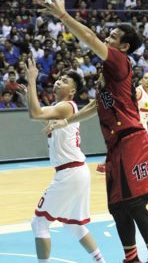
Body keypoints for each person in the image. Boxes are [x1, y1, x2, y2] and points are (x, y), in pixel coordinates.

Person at [41, 0, 148, 263]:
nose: (106, 38)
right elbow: (94, 107)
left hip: (131, 140)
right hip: (117, 146)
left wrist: (63, 16)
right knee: (118, 207)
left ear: (124, 46)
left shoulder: (119, 62)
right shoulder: (105, 76)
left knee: (133, 202)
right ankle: (131, 258)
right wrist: (66, 121)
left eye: (112, 37)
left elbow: (88, 37)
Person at [24, 62, 106, 263]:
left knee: (39, 222)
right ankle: (101, 261)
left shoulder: (65, 107)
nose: (59, 81)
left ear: (72, 91)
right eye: (58, 79)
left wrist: (32, 79)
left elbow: (35, 114)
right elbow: (40, 116)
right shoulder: (61, 109)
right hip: (75, 171)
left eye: (65, 80)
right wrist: (26, 94)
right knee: (73, 225)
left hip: (70, 172)